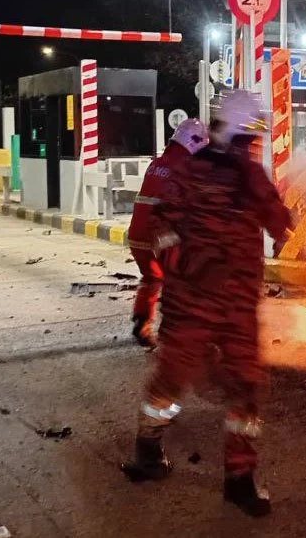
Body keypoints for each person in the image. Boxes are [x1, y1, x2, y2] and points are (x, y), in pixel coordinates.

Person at [122, 91, 292, 518]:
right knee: (176, 384)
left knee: (242, 389)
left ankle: (237, 479)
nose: (252, 146)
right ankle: (152, 453)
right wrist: (198, 268)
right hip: (198, 305)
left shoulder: (236, 175)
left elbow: (278, 219)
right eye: (249, 137)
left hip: (226, 307)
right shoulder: (199, 174)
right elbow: (163, 233)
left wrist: (280, 223)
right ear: (235, 134)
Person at [127, 119, 209, 349]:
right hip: (162, 235)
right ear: (194, 142)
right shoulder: (183, 167)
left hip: (137, 234)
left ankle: (142, 322)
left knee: (152, 277)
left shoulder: (157, 164)